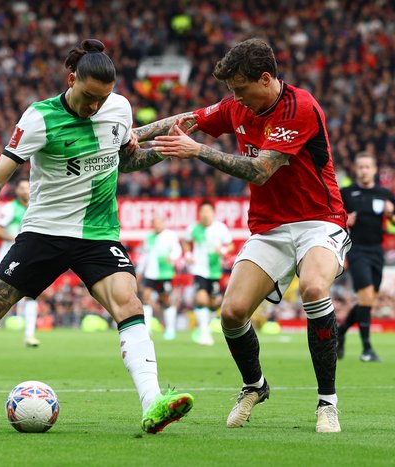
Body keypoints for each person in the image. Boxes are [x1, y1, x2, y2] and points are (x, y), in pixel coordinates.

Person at [0, 39, 193, 434]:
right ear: (71, 79)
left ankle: (152, 403)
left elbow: (125, 161)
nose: (95, 106)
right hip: (44, 232)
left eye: (102, 98)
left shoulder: (120, 108)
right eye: (89, 96)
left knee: (129, 302)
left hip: (98, 232)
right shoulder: (39, 118)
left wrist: (163, 148)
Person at [135, 38, 350, 432]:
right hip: (269, 226)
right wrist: (133, 134)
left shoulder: (298, 108)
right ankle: (255, 386)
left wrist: (197, 151)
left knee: (315, 289)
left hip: (319, 219)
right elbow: (192, 119)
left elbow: (261, 170)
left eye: (241, 90)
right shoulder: (237, 105)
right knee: (232, 313)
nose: (235, 99)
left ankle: (327, 403)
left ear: (266, 78)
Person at [338, 152, 395, 362]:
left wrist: (391, 214)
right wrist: (345, 220)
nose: (364, 170)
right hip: (356, 249)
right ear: (355, 170)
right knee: (366, 296)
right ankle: (367, 350)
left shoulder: (384, 193)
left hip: (377, 250)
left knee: (369, 301)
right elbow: (332, 216)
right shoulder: (346, 193)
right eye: (360, 167)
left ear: (375, 170)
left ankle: (340, 332)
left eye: (368, 167)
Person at [0, 178, 40, 347]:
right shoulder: (10, 208)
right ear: (17, 191)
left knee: (31, 296)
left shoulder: (38, 208)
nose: (26, 190)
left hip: (29, 258)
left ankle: (29, 335)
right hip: (9, 259)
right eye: (22, 187)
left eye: (28, 187)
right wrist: (17, 239)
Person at [182, 200, 233, 346]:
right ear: (199, 214)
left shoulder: (220, 228)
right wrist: (188, 254)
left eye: (208, 211)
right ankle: (204, 331)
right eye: (203, 211)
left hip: (215, 270)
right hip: (199, 269)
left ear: (213, 213)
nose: (205, 214)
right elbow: (186, 241)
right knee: (201, 299)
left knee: (212, 302)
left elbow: (230, 244)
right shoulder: (193, 228)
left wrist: (223, 250)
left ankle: (206, 328)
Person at [137, 215, 182, 339]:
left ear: (163, 223)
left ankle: (170, 329)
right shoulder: (149, 237)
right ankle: (147, 329)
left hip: (165, 274)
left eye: (159, 222)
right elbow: (144, 256)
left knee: (165, 300)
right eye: (154, 223)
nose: (157, 225)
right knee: (146, 298)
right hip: (150, 274)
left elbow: (177, 249)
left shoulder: (170, 235)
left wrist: (172, 257)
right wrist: (140, 272)